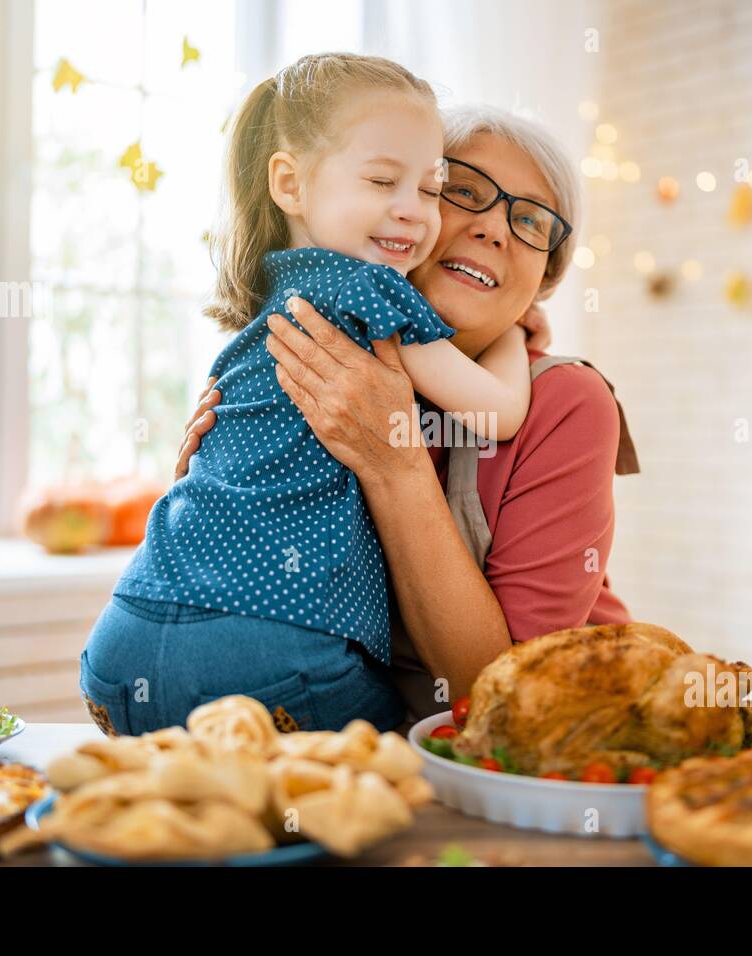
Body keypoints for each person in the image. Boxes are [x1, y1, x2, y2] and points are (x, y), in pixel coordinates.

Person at [80, 53, 536, 738]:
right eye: (384, 180)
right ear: (289, 184)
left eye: (432, 188)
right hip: (271, 658)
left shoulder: (271, 298)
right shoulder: (370, 292)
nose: (414, 211)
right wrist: (513, 338)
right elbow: (497, 412)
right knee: (403, 760)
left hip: (122, 641)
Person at [175, 100, 640, 725]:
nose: (497, 230)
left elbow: (507, 699)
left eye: (531, 221)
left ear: (544, 279)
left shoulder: (567, 404)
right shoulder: (314, 352)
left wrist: (393, 466)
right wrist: (204, 486)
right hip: (364, 749)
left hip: (548, 754)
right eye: (463, 191)